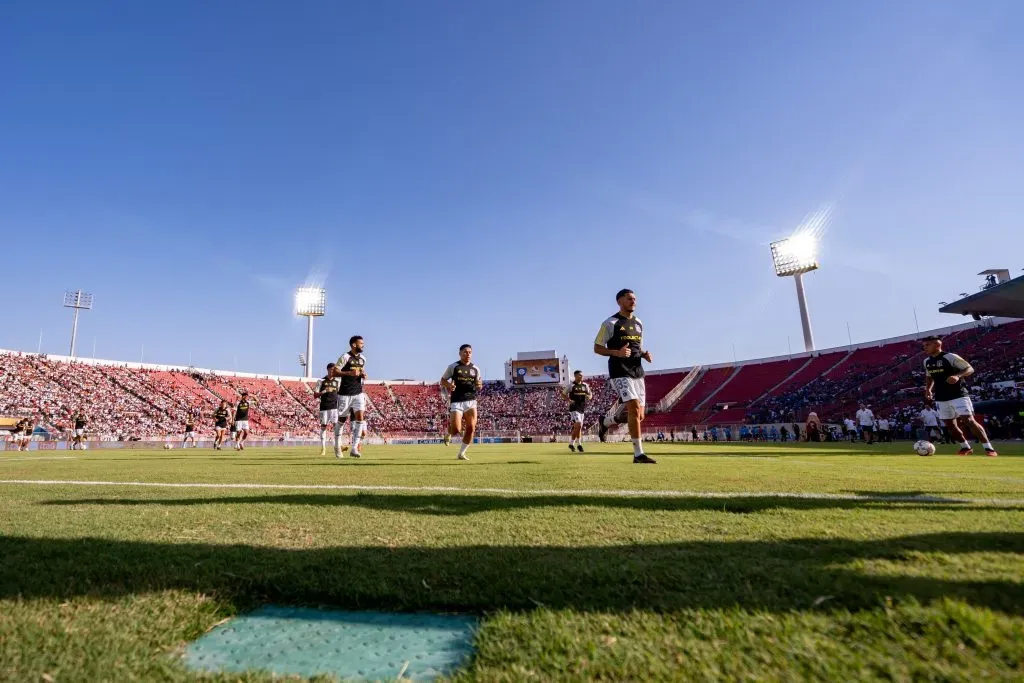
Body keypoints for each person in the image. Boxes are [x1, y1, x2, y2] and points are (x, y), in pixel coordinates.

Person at [593, 288, 656, 464]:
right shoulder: (610, 323)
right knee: (634, 408)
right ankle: (638, 455)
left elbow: (637, 347)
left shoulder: (639, 323)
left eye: (635, 298)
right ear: (619, 301)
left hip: (637, 371)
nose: (633, 301)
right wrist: (617, 353)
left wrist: (644, 354)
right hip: (619, 371)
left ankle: (605, 422)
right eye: (629, 298)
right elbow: (597, 347)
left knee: (639, 415)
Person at [922, 336, 998, 456]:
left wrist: (958, 376)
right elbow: (929, 376)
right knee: (949, 425)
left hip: (958, 394)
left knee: (968, 420)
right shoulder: (927, 361)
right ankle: (965, 447)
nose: (925, 347)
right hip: (941, 397)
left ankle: (989, 448)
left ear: (937, 345)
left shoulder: (950, 357)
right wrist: (928, 390)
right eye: (924, 345)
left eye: (927, 345)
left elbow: (970, 369)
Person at [441, 344, 483, 461]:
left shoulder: (476, 369)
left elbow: (479, 383)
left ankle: (461, 453)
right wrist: (449, 385)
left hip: (471, 400)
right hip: (457, 401)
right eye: (465, 352)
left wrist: (479, 385)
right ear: (460, 353)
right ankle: (449, 432)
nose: (468, 354)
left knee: (471, 427)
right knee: (457, 430)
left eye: (470, 352)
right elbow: (442, 380)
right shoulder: (453, 367)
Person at [334, 336, 368, 458]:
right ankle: (337, 446)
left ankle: (354, 448)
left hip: (358, 393)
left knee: (360, 419)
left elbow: (361, 372)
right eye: (361, 343)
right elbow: (334, 372)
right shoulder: (345, 357)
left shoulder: (363, 359)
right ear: (354, 345)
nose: (363, 345)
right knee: (341, 421)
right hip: (344, 393)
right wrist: (349, 373)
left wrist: (363, 374)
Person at [315, 362, 343, 457]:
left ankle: (338, 446)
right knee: (324, 427)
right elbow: (315, 395)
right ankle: (323, 448)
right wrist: (323, 391)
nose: (333, 371)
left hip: (334, 408)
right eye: (331, 369)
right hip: (324, 407)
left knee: (336, 427)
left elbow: (340, 393)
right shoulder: (321, 381)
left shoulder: (338, 381)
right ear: (328, 370)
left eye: (334, 370)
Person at [563, 370, 592, 453]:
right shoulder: (571, 385)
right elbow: (563, 394)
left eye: (582, 375)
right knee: (578, 424)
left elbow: (590, 394)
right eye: (580, 375)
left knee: (578, 427)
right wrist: (569, 400)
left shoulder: (585, 385)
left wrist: (589, 397)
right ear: (575, 376)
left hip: (582, 409)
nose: (581, 376)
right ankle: (579, 444)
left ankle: (571, 444)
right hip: (574, 408)